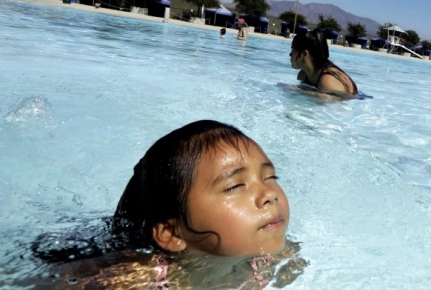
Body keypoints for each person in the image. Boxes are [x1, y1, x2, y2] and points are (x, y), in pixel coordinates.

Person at [29, 120, 300, 288]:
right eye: (234, 186)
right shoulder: (128, 283)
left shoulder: (273, 256)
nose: (269, 193)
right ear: (171, 233)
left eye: (270, 176)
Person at [291, 29, 359, 95]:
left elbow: (337, 102)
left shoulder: (328, 80)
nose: (290, 54)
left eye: (293, 50)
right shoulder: (304, 74)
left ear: (304, 54)